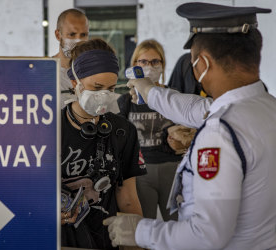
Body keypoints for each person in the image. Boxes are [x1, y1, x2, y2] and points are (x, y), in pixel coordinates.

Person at [104, 2, 276, 249]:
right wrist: (150, 91)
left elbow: (207, 235)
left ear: (203, 64)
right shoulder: (266, 107)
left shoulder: (220, 132)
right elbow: (195, 109)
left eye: (193, 61)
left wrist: (140, 231)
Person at [61, 38, 146, 249]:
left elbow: (127, 197)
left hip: (105, 239)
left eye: (110, 88)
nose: (104, 96)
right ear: (75, 83)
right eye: (97, 87)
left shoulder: (123, 131)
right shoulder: (48, 128)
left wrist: (135, 243)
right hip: (59, 240)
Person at [117, 39, 195, 221]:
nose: (149, 66)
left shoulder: (172, 97)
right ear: (134, 65)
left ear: (162, 65)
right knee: (144, 225)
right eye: (143, 62)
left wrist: (184, 136)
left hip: (172, 169)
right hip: (140, 173)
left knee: (177, 225)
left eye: (154, 62)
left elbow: (190, 130)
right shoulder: (126, 102)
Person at [52, 8, 89, 108]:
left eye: (83, 35)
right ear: (58, 35)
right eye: (72, 34)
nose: (78, 40)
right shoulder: (44, 71)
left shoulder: (92, 72)